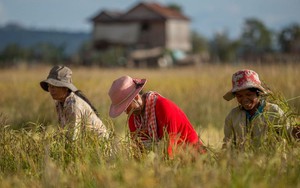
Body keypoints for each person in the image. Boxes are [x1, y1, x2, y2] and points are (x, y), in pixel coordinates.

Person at [108, 75, 206, 158]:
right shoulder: (133, 119)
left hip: (194, 157)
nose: (125, 111)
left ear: (136, 97)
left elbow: (169, 151)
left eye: (126, 106)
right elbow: (138, 153)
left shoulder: (163, 107)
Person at [222, 69, 289, 149]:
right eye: (240, 96)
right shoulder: (233, 116)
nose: (244, 99)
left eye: (249, 94)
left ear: (258, 93)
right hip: (243, 161)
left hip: (271, 160)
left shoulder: (274, 111)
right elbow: (228, 144)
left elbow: (289, 135)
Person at [40, 65, 108, 141]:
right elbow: (64, 130)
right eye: (49, 86)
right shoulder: (60, 103)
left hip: (98, 143)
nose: (51, 90)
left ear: (65, 88)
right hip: (84, 142)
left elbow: (73, 138)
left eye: (54, 86)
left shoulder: (74, 105)